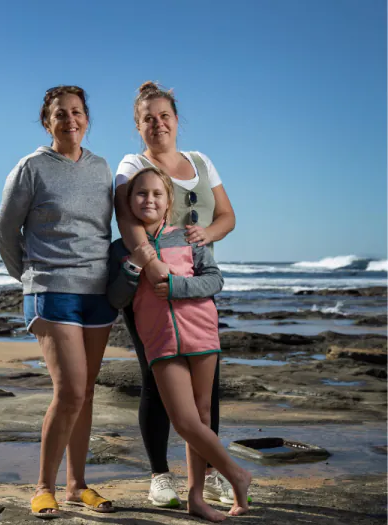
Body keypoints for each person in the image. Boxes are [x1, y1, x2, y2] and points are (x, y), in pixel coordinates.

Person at [113, 81, 237, 508]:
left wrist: (206, 235)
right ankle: (160, 475)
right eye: (148, 118)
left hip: (196, 286)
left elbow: (226, 216)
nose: (158, 124)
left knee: (207, 388)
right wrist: (152, 265)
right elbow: (126, 221)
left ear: (177, 120)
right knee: (156, 377)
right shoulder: (133, 164)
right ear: (138, 126)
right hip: (151, 286)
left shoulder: (201, 161)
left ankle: (208, 474)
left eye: (165, 116)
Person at [0, 85, 117, 518]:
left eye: (78, 112)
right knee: (68, 392)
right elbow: (6, 233)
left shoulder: (103, 168)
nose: (71, 120)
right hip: (51, 292)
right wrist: (30, 279)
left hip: (98, 294)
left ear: (87, 118)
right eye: (61, 114)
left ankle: (77, 485)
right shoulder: (31, 168)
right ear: (48, 122)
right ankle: (44, 486)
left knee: (84, 393)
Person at [108, 166, 250, 522]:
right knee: (184, 420)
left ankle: (196, 498)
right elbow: (116, 299)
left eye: (157, 194)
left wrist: (176, 288)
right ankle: (236, 473)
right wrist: (135, 267)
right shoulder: (120, 249)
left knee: (203, 416)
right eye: (141, 194)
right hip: (160, 343)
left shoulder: (187, 238)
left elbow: (215, 280)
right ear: (129, 201)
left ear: (168, 200)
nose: (149, 200)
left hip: (202, 335)